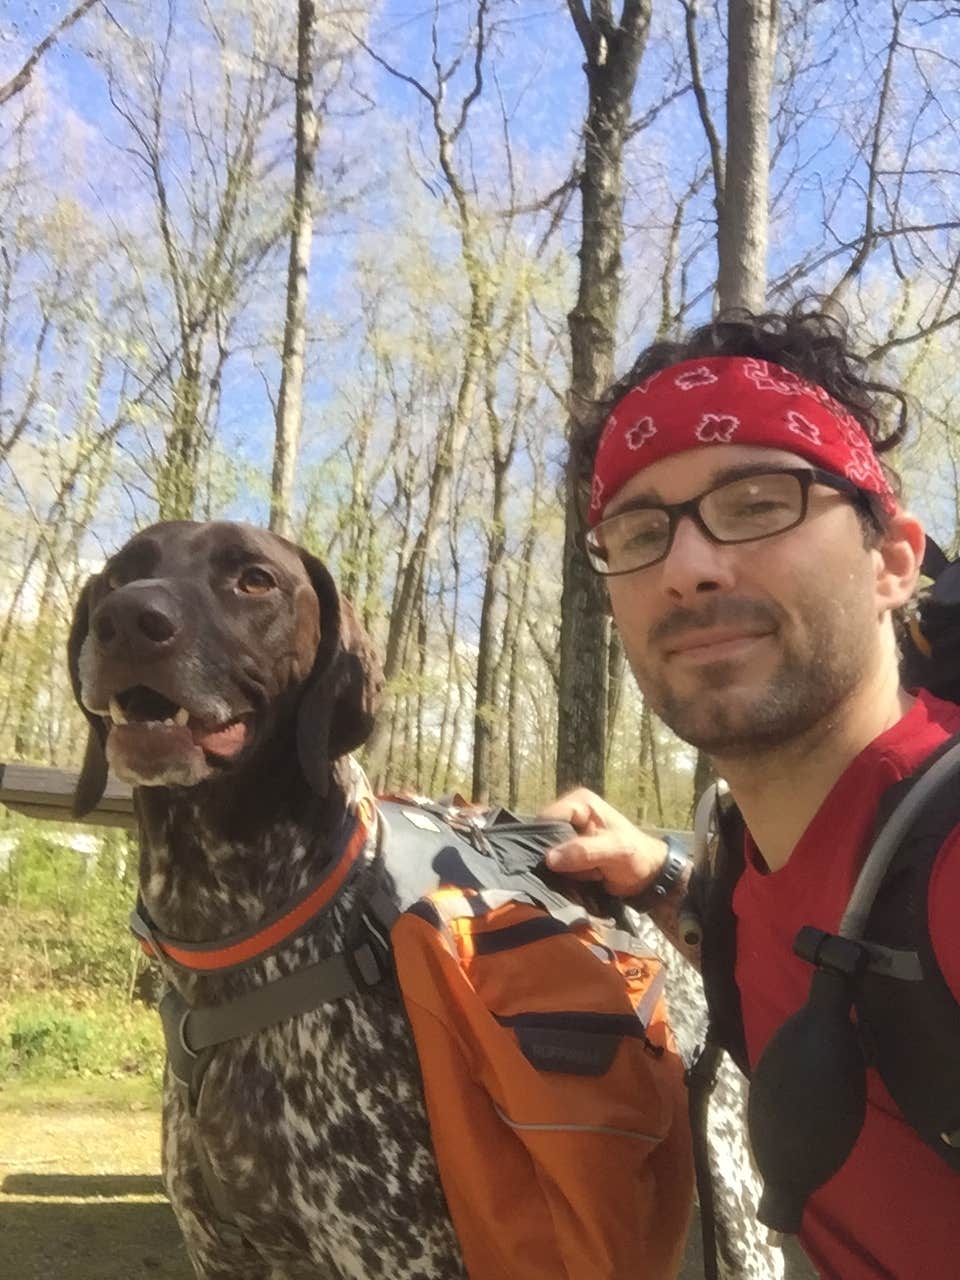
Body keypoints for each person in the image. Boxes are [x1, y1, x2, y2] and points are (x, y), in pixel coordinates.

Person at [540, 305, 960, 1280]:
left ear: (892, 560)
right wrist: (659, 876)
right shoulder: (737, 852)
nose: (688, 566)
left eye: (759, 500)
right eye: (640, 529)